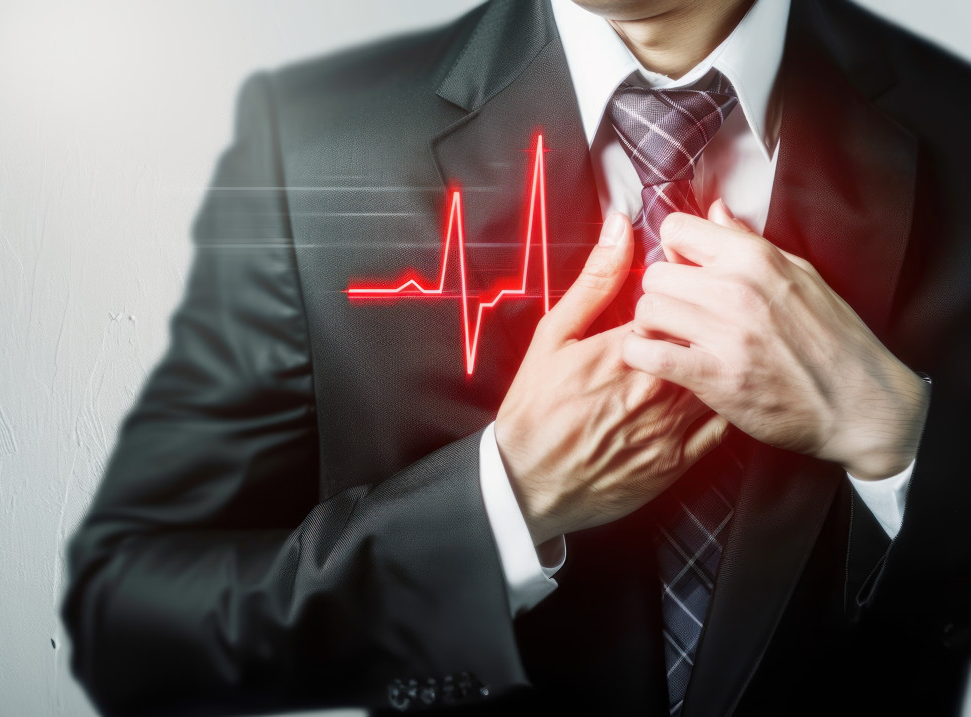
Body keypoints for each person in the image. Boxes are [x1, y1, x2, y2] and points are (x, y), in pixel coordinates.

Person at [63, 0, 971, 713]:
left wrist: (901, 441)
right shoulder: (316, 152)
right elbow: (135, 621)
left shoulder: (957, 136)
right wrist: (503, 503)